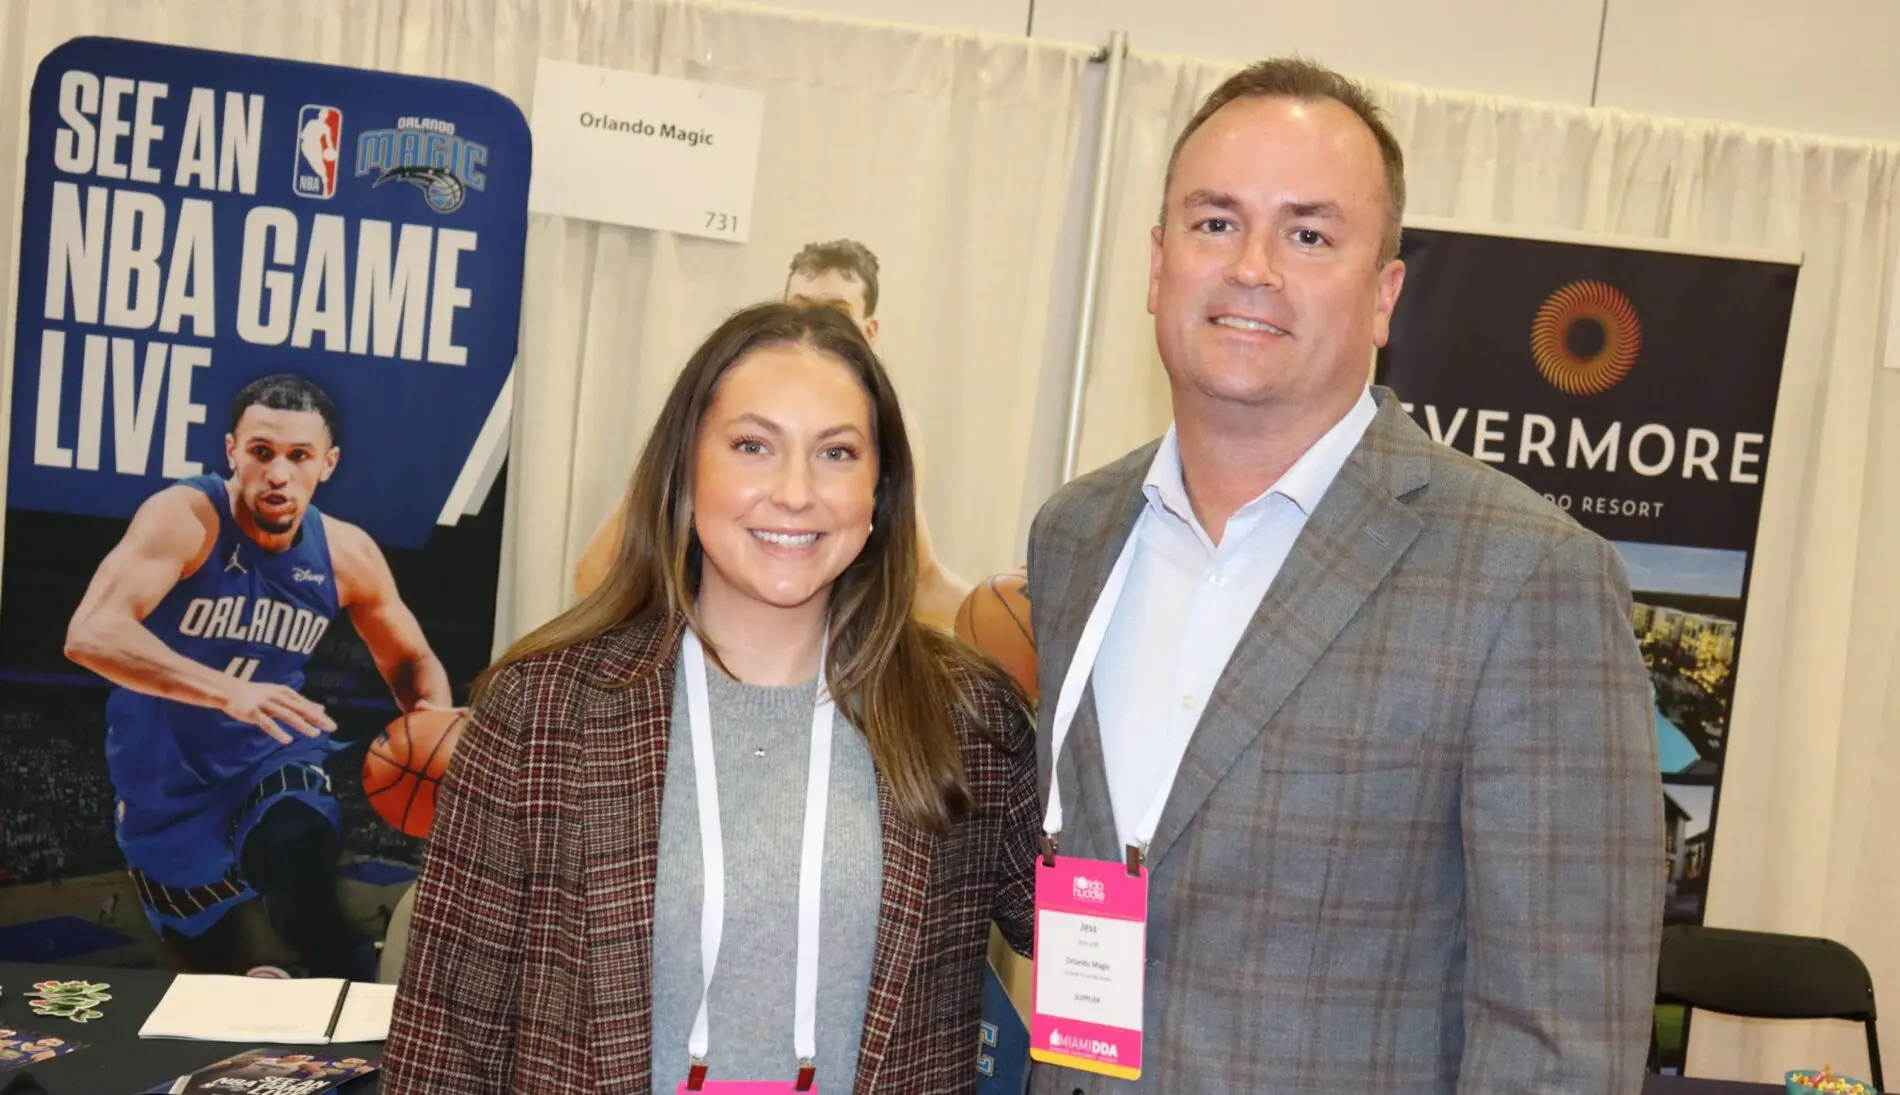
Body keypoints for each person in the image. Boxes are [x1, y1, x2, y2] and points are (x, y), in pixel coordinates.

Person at [1023, 57, 1664, 1093]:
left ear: (1383, 294)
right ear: (1155, 265)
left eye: (1309, 234)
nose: (1252, 268)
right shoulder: (1076, 538)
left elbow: (1561, 1045)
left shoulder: (1525, 579)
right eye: (1215, 222)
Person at [384, 301, 1041, 1094]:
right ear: (687, 473)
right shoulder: (543, 711)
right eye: (753, 446)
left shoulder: (966, 717)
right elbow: (447, 1035)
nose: (795, 492)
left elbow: (1098, 939)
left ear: (880, 492)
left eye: (837, 452)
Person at [64, 373, 453, 981]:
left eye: (299, 457)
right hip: (164, 787)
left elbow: (410, 662)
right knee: (213, 970)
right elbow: (91, 633)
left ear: (327, 464)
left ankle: (367, 1029)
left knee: (303, 885)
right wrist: (229, 691)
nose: (278, 474)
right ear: (231, 453)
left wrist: (433, 724)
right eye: (261, 452)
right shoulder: (186, 516)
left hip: (269, 757)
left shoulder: (346, 554)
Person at [573, 239, 975, 631]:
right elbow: (599, 575)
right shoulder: (718, 405)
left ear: (869, 331)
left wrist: (1020, 621)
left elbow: (918, 581)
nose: (815, 328)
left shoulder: (893, 431)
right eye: (753, 446)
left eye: (837, 453)